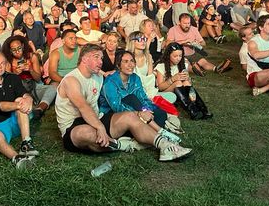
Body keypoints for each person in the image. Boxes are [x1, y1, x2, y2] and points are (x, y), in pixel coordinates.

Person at [54, 44, 192, 161]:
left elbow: (120, 84)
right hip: (73, 125)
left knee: (130, 115)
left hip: (97, 118)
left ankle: (165, 145)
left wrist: (141, 110)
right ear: (84, 59)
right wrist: (100, 127)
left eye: (101, 58)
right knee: (85, 133)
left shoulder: (98, 76)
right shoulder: (71, 80)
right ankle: (123, 145)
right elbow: (83, 107)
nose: (101, 61)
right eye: (96, 57)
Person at [98, 51, 182, 142]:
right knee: (131, 98)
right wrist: (139, 113)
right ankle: (159, 131)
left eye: (132, 61)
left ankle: (144, 132)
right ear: (118, 65)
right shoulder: (110, 82)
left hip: (138, 111)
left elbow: (142, 97)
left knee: (160, 113)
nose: (130, 65)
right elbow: (116, 106)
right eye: (125, 62)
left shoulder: (135, 78)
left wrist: (147, 110)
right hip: (115, 116)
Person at [0, 53, 38, 169]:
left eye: (2, 63)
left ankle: (26, 144)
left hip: (15, 120)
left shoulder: (13, 78)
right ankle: (17, 159)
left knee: (21, 100)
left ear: (6, 65)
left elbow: (23, 92)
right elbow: (0, 106)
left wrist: (28, 98)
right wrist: (20, 104)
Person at [155, 43, 212, 120]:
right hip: (165, 92)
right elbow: (160, 87)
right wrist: (173, 79)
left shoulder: (182, 64)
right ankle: (192, 110)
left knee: (186, 83)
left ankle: (203, 109)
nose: (178, 58)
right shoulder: (161, 66)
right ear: (168, 55)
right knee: (178, 82)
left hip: (179, 91)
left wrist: (188, 79)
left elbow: (187, 84)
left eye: (180, 56)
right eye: (175, 56)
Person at [3, 35, 55, 118]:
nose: (17, 51)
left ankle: (40, 108)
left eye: (19, 48)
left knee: (52, 89)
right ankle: (29, 109)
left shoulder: (32, 56)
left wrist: (30, 69)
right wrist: (15, 74)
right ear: (10, 50)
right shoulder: (9, 61)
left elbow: (38, 78)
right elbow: (7, 81)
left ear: (23, 46)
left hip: (34, 85)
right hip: (19, 88)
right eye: (14, 50)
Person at [166, 13, 230, 76]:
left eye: (188, 23)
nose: (187, 25)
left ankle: (216, 69)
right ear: (179, 22)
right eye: (185, 23)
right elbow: (168, 44)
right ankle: (196, 70)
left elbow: (203, 43)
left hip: (192, 52)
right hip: (179, 54)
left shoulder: (194, 29)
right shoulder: (173, 30)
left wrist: (196, 43)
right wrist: (183, 42)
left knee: (203, 62)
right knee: (186, 64)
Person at [126, 31, 176, 104]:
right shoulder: (128, 57)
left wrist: (150, 93)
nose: (143, 42)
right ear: (132, 42)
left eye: (144, 39)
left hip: (148, 89)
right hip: (133, 90)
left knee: (172, 96)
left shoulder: (148, 56)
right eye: (140, 40)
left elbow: (150, 77)